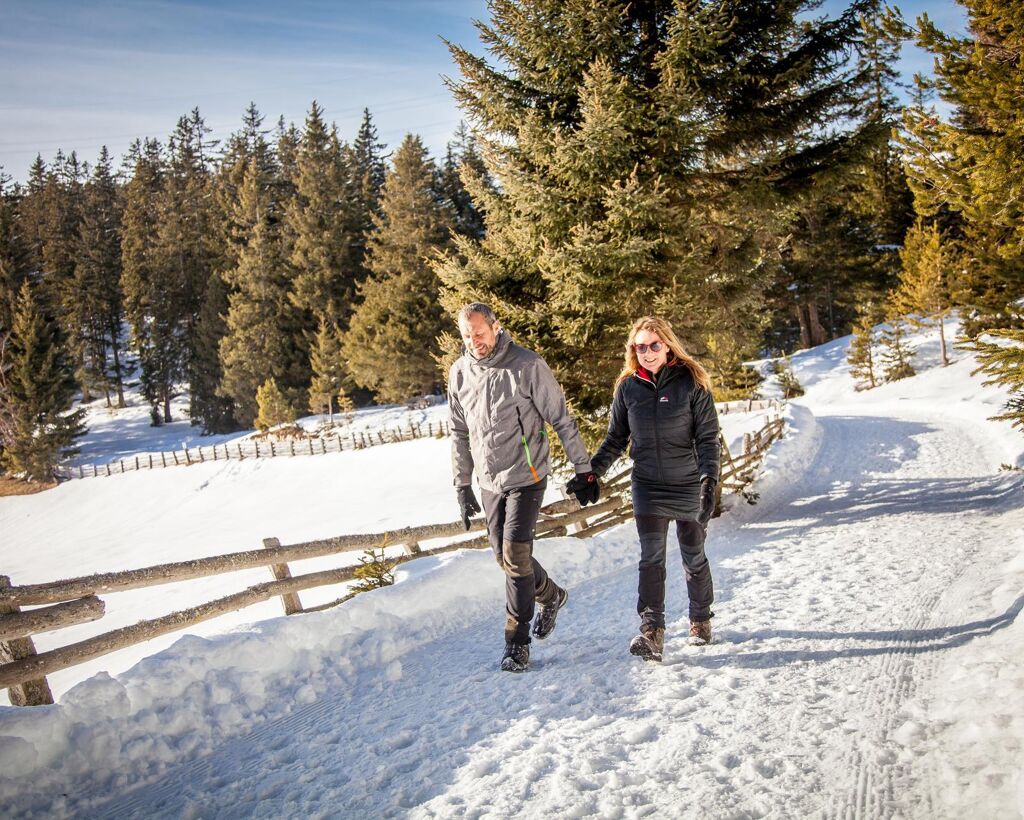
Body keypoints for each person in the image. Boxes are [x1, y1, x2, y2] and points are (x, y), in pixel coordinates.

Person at [448, 302, 600, 673]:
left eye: (479, 333)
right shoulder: (459, 372)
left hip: (527, 474)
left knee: (515, 554)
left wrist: (585, 469)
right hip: (489, 480)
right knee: (504, 558)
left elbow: (561, 418)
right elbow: (458, 430)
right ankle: (553, 596)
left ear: (496, 327)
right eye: (467, 335)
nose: (474, 341)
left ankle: (516, 643)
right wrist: (462, 484)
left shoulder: (527, 365)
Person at [590, 316, 721, 662]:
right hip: (647, 485)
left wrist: (709, 480)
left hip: (688, 483)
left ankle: (700, 618)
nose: (646, 352)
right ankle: (652, 631)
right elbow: (615, 439)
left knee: (693, 556)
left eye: (653, 345)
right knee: (651, 559)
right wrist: (592, 473)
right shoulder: (628, 388)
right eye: (639, 346)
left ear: (667, 345)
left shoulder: (692, 382)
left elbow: (708, 439)